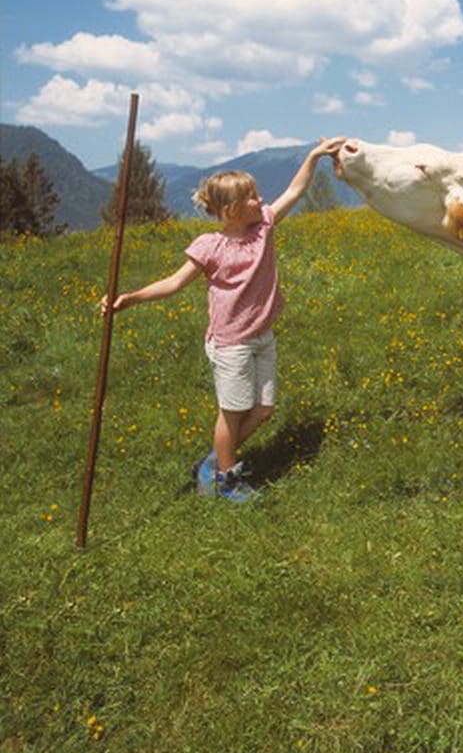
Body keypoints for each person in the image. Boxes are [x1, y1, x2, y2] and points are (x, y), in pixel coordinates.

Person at [100, 137, 347, 502]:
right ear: (231, 210)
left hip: (262, 336)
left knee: (263, 411)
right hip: (231, 343)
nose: (260, 200)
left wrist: (313, 157)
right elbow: (174, 283)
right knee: (232, 413)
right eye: (252, 197)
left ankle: (214, 461)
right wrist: (129, 299)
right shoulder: (209, 246)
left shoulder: (264, 226)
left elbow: (295, 191)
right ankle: (224, 479)